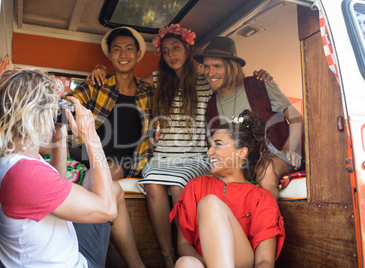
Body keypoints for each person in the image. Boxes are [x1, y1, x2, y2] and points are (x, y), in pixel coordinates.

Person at [88, 24, 274, 268]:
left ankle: (188, 248)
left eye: (176, 48)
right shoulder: (157, 79)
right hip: (163, 154)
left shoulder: (205, 79)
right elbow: (126, 80)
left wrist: (260, 76)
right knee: (153, 186)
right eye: (165, 51)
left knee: (179, 187)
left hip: (195, 155)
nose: (171, 55)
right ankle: (168, 256)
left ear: (188, 49)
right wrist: (102, 70)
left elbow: (229, 77)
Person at [0, 69, 117, 267]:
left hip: (60, 253)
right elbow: (107, 209)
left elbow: (57, 181)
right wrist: (92, 137)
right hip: (73, 263)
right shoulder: (24, 174)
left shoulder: (13, 159)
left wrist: (59, 137)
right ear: (33, 115)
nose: (54, 115)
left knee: (115, 189)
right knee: (112, 193)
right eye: (51, 110)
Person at [169, 110, 285, 268]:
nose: (210, 152)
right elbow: (183, 245)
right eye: (210, 146)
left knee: (209, 203)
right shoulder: (195, 187)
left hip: (243, 263)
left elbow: (264, 261)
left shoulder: (261, 197)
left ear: (241, 153)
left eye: (218, 145)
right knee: (185, 263)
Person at [194, 36, 304, 200]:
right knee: (204, 182)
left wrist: (289, 149)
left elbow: (296, 118)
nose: (210, 73)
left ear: (232, 67)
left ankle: (267, 224)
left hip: (275, 153)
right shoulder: (210, 106)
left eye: (217, 66)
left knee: (265, 171)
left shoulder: (260, 84)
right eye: (207, 67)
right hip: (239, 161)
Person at [66, 26, 154, 180]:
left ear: (138, 53)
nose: (123, 55)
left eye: (129, 49)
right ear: (109, 54)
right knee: (35, 145)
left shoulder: (148, 93)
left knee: (97, 176)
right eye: (117, 49)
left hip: (119, 160)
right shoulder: (97, 83)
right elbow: (67, 103)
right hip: (85, 150)